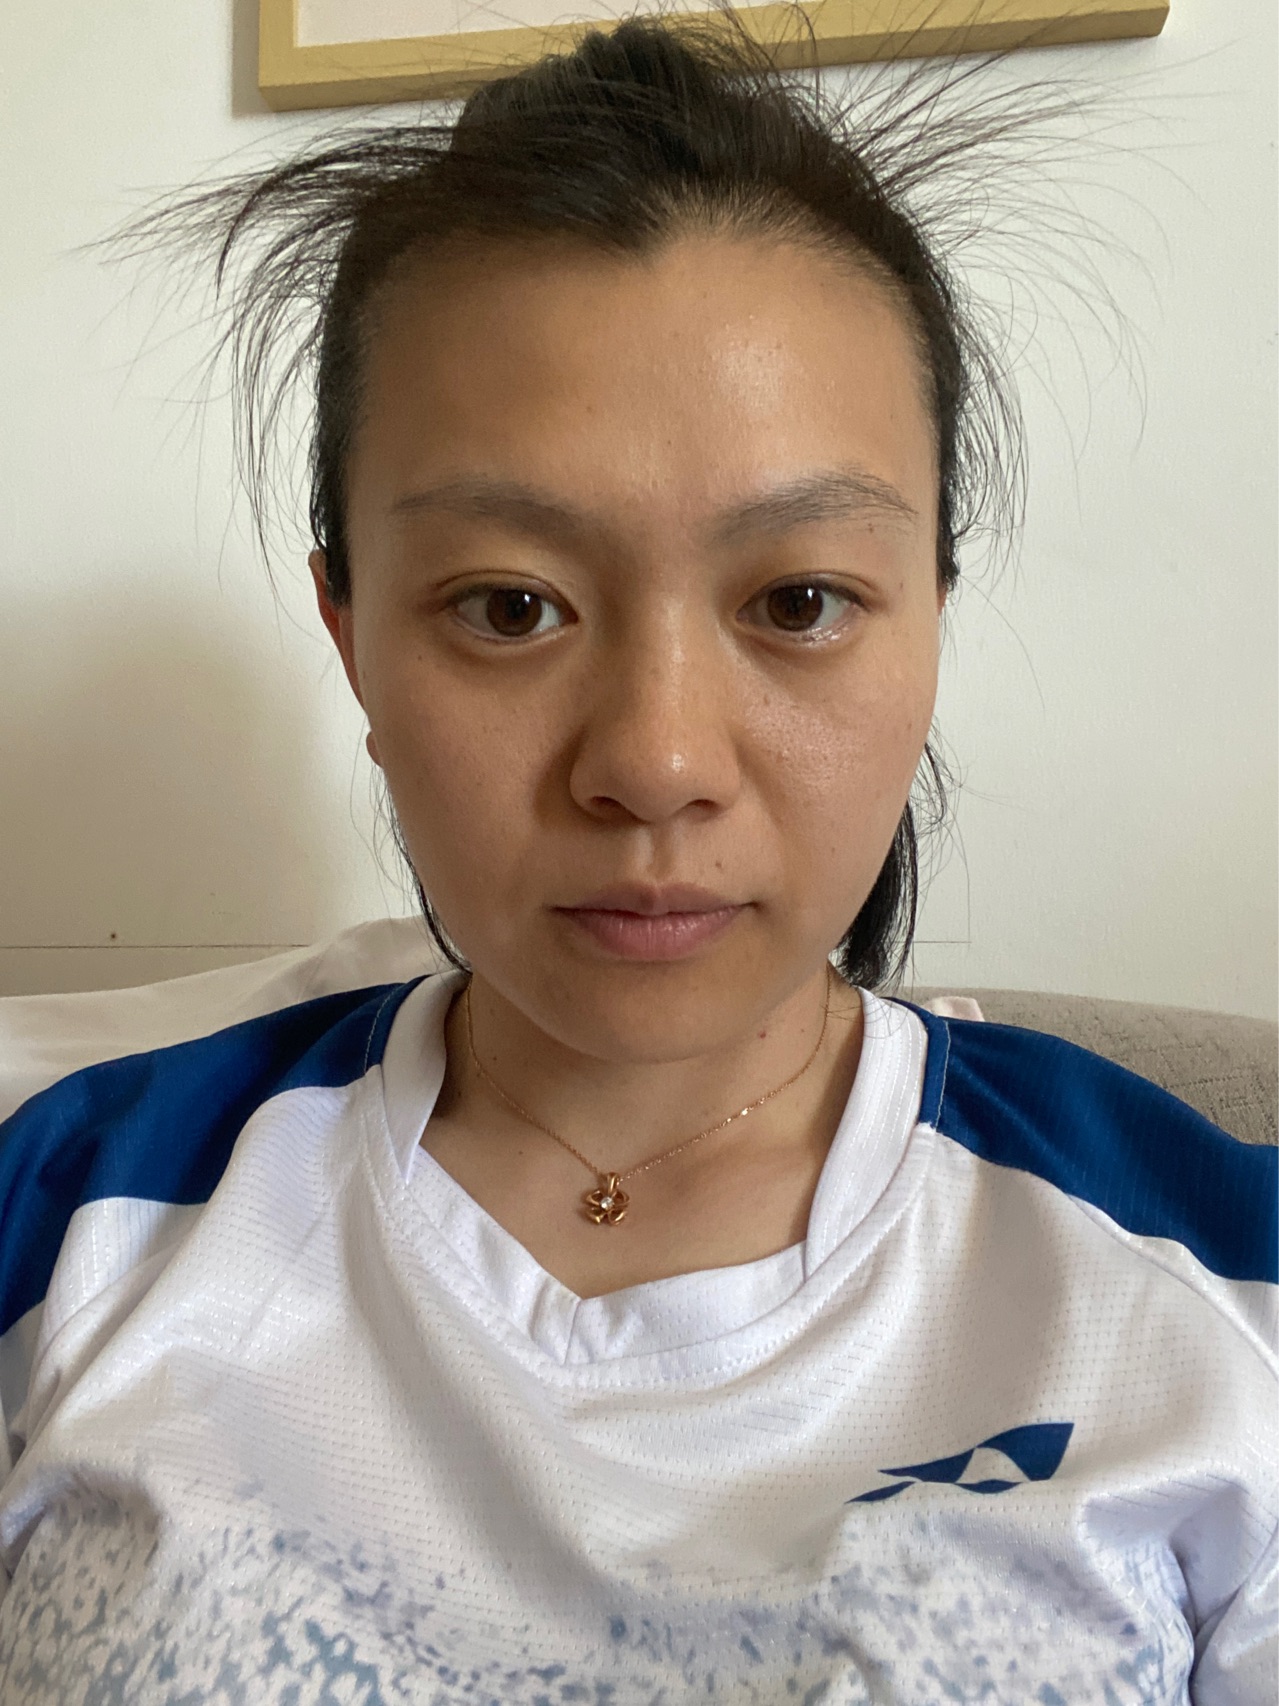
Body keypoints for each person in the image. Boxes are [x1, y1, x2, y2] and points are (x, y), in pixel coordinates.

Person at [0, 5, 1274, 1700]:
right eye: (510, 606)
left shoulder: (1214, 1283)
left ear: (932, 621)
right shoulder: (74, 1210)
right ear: (353, 636)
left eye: (799, 600)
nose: (656, 761)